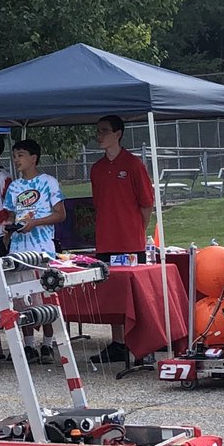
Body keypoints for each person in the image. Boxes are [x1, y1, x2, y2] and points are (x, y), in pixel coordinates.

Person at [88, 114, 154, 366]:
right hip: (105, 242)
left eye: (104, 131)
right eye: (98, 131)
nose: (99, 135)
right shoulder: (97, 169)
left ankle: (140, 343)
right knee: (112, 295)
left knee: (135, 295)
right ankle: (117, 343)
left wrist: (136, 230)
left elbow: (146, 204)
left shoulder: (134, 165)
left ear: (118, 134)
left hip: (130, 243)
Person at [3, 138, 66, 364]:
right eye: (15, 155)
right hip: (18, 249)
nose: (17, 159)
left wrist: (35, 222)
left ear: (33, 158)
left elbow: (60, 214)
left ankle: (48, 344)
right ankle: (28, 345)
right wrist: (8, 229)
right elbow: (10, 214)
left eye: (21, 155)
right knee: (21, 299)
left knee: (45, 296)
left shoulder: (48, 182)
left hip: (41, 249)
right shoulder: (14, 187)